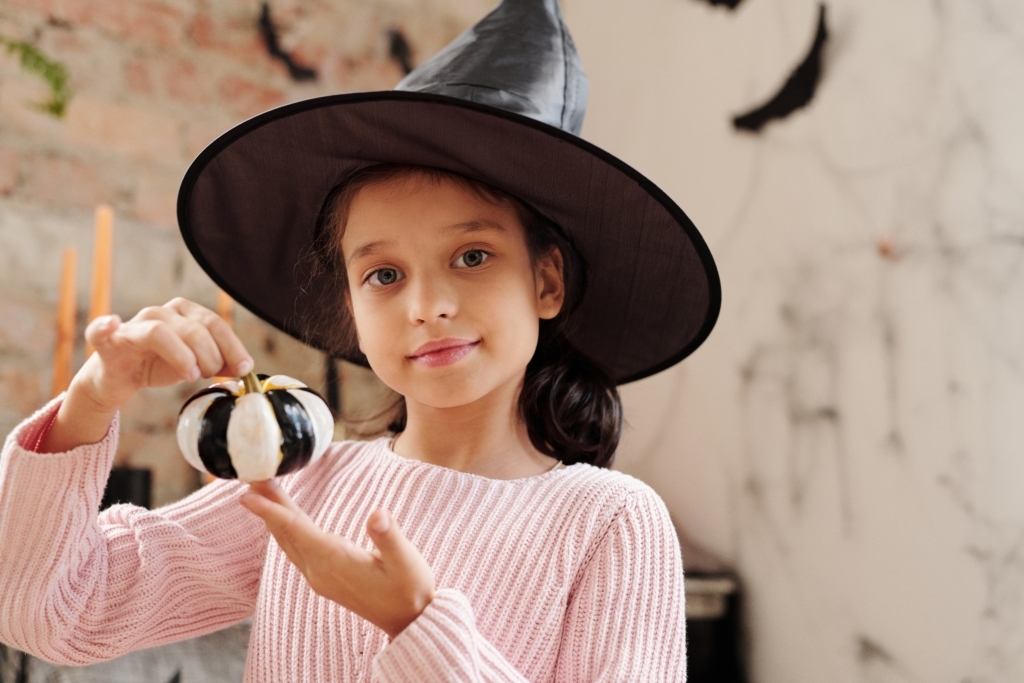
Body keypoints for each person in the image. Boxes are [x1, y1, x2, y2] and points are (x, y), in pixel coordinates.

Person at [0, 0, 720, 680]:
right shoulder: (302, 485)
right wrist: (92, 402)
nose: (427, 305)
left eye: (472, 256)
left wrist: (416, 625)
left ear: (547, 282)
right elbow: (52, 612)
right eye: (383, 273)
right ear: (349, 302)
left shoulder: (611, 521)